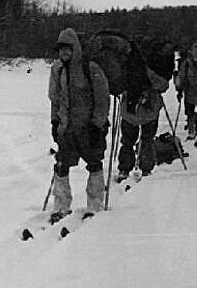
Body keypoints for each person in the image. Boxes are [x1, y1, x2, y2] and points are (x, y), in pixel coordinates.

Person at [48, 28, 110, 223]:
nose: (64, 53)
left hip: (89, 128)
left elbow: (102, 99)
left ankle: (95, 205)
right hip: (67, 128)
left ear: (75, 48)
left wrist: (97, 125)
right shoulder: (57, 69)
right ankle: (61, 206)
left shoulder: (90, 68)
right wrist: (55, 121)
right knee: (61, 165)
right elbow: (55, 99)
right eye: (61, 50)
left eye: (67, 49)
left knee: (93, 164)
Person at [115, 45, 170, 182]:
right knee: (147, 141)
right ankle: (146, 168)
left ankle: (124, 168)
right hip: (149, 111)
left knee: (127, 141)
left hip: (129, 111)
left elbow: (117, 86)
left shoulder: (126, 69)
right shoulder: (149, 71)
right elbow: (163, 86)